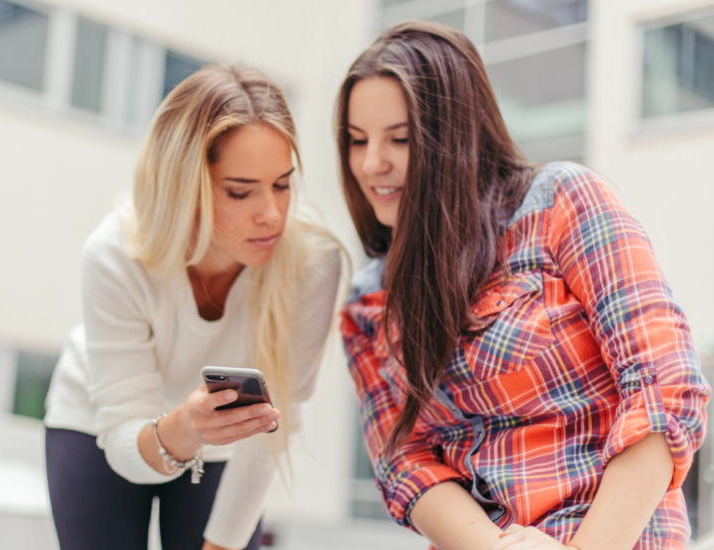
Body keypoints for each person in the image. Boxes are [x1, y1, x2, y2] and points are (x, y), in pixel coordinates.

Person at [337, 21, 710, 550]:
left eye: (400, 138)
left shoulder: (564, 201)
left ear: (454, 137)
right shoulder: (369, 303)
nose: (372, 163)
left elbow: (664, 387)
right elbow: (406, 463)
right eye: (357, 140)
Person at [44, 64, 344, 550]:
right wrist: (184, 428)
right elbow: (124, 436)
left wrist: (221, 545)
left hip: (229, 446)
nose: (271, 213)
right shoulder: (114, 255)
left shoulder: (313, 262)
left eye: (283, 184)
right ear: (185, 186)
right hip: (102, 424)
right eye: (241, 191)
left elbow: (277, 419)